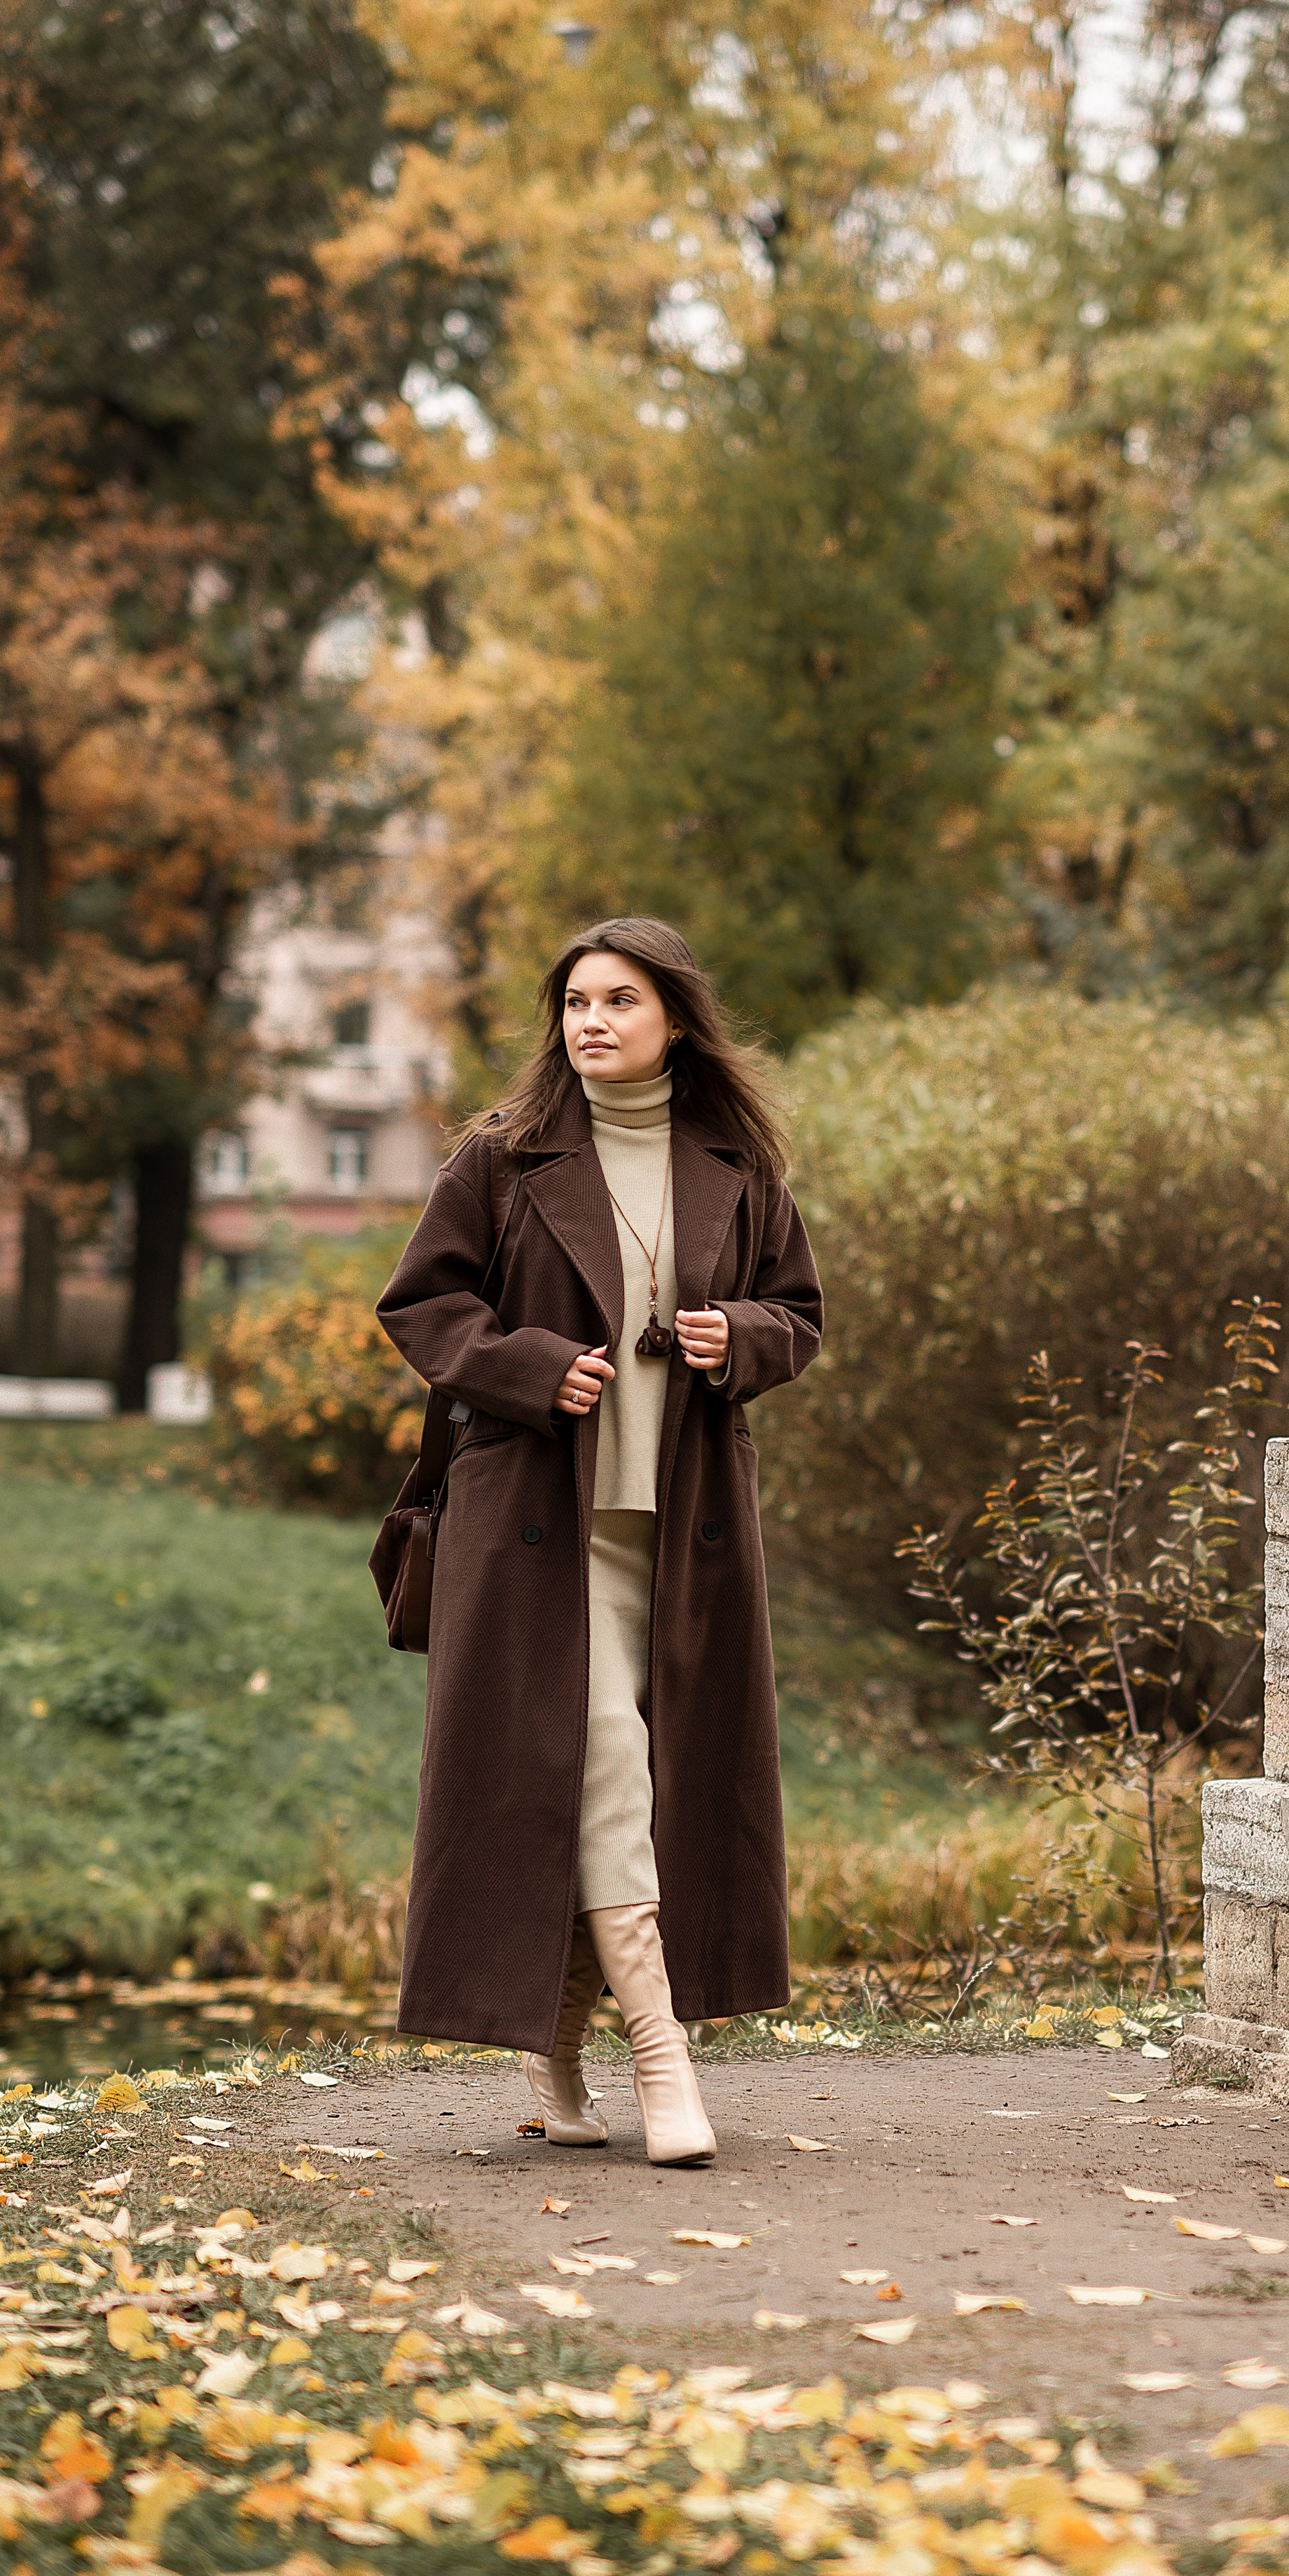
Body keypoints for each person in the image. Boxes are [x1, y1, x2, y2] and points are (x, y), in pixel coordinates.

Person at [376, 917, 822, 2165]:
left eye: (620, 1000)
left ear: (675, 1019)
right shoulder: (502, 1158)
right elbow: (421, 1303)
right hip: (533, 1534)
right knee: (609, 1765)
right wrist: (526, 1367)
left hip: (681, 1533)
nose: (592, 1021)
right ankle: (663, 2057)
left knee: (620, 1782)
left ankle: (558, 2051)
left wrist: (739, 1336)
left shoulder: (738, 1164)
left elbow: (799, 1313)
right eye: (576, 1002)